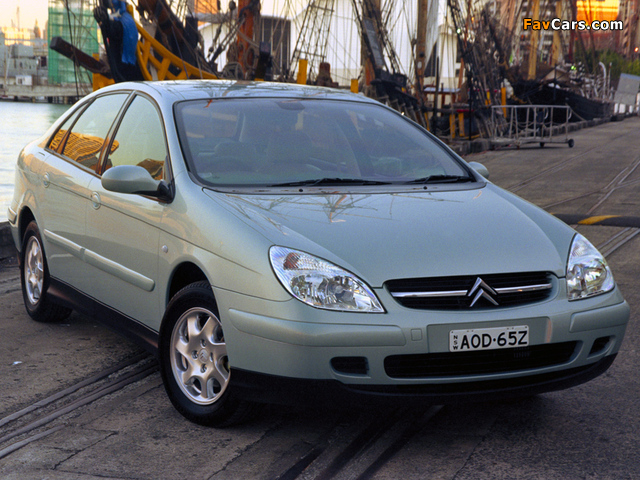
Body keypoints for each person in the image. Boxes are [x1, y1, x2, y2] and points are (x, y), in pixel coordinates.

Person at [94, 0, 143, 82]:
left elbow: (122, 9)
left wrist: (110, 17)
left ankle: (128, 61)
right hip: (116, 17)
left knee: (119, 31)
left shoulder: (120, 21)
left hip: (123, 20)